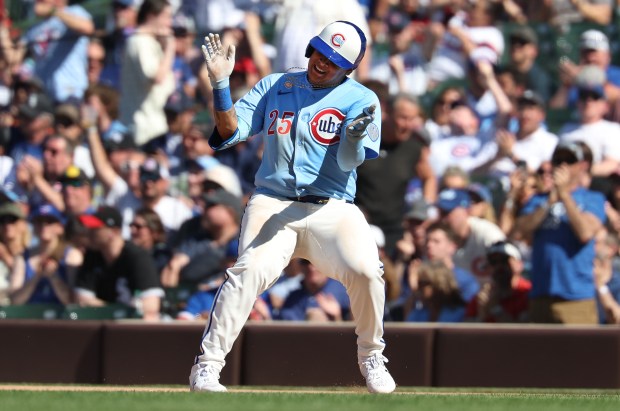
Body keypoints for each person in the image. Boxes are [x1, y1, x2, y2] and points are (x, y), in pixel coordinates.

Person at [189, 21, 396, 394]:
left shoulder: (362, 99)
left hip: (331, 207)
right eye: (320, 52)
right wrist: (220, 85)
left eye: (333, 60)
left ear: (347, 68)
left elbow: (350, 162)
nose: (322, 62)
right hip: (273, 200)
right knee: (248, 271)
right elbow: (229, 132)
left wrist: (351, 136)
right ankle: (207, 367)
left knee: (367, 271)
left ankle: (371, 355)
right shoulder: (277, 84)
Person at [516, 142, 605, 324]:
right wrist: (550, 200)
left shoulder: (592, 199)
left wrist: (564, 195)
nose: (562, 165)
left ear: (583, 165)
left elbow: (585, 233)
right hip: (540, 295)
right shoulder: (537, 200)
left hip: (576, 297)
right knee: (538, 352)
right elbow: (519, 231)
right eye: (558, 160)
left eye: (569, 160)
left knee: (579, 352)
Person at [76, 206, 165, 321]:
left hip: (134, 329)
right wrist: (116, 312)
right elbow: (81, 301)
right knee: (74, 316)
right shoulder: (92, 255)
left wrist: (112, 311)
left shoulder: (137, 256)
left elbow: (151, 307)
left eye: (96, 228)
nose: (89, 232)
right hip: (103, 326)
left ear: (114, 231)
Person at [9, 204, 80, 305]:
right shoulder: (23, 257)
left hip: (63, 318)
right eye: (39, 222)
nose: (44, 226)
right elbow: (15, 300)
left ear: (60, 227)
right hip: (29, 317)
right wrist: (36, 277)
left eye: (49, 222)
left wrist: (53, 277)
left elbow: (72, 300)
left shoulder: (71, 254)